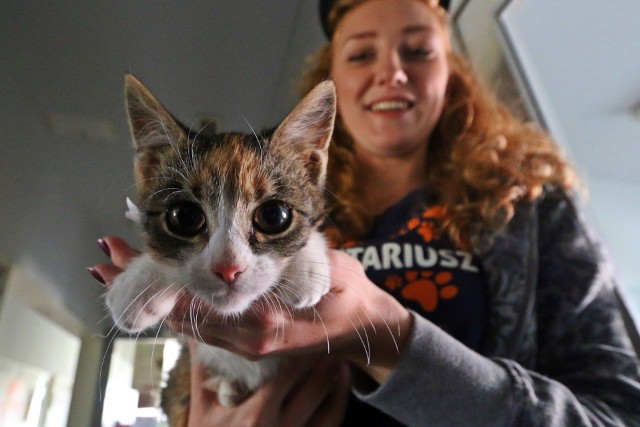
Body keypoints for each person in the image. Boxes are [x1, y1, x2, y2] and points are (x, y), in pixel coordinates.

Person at [91, 0, 640, 425]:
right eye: (361, 53)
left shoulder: (532, 204)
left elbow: (618, 413)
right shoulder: (282, 186)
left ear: (454, 72)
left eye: (419, 50)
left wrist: (388, 337)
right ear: (331, 81)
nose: (392, 72)